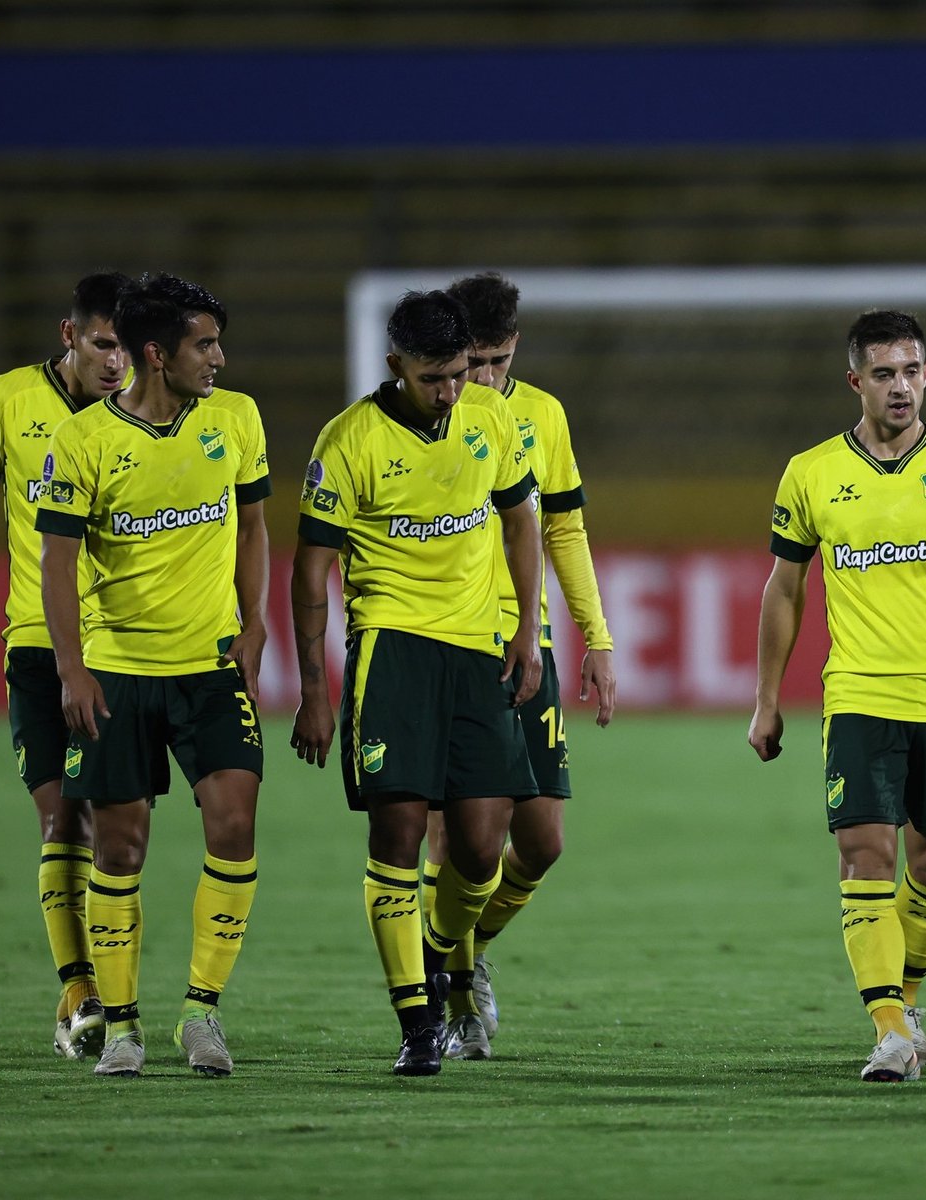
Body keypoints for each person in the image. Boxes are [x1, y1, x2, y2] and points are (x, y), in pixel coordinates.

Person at [748, 310, 926, 1082]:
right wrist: (766, 697)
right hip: (859, 695)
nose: (900, 387)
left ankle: (905, 1002)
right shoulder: (811, 472)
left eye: (911, 371)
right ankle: (889, 1032)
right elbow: (784, 590)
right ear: (856, 382)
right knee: (864, 854)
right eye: (883, 373)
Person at [288, 289, 543, 1077]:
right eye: (435, 377)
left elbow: (521, 519)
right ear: (395, 364)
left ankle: (438, 953)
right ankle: (417, 1020)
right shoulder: (349, 441)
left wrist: (529, 631)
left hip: (477, 652)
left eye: (461, 373)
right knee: (397, 834)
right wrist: (315, 689)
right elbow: (310, 574)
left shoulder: (491, 419)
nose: (452, 390)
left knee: (479, 846)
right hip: (390, 652)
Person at [35, 273, 271, 1078]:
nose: (219, 358)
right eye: (204, 345)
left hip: (208, 667)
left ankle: (201, 1015)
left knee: (234, 824)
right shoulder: (84, 442)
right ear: (155, 355)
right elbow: (56, 562)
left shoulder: (235, 419)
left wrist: (256, 619)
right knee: (121, 849)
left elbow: (252, 524)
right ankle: (125, 1027)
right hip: (121, 671)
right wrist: (72, 668)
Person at [417, 271, 617, 1061]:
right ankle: (454, 986)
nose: (487, 379)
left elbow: (563, 530)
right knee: (461, 836)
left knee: (540, 843)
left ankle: (454, 952)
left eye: (499, 361)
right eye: (475, 362)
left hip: (522, 646)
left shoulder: (541, 416)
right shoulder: (423, 414)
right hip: (445, 645)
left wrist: (594, 638)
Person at [0, 272, 130, 1061]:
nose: (116, 363)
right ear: (70, 335)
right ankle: (80, 992)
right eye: (102, 344)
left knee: (118, 831)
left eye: (129, 348)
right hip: (35, 641)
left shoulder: (148, 415)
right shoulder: (6, 401)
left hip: (127, 649)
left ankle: (100, 988)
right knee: (64, 817)